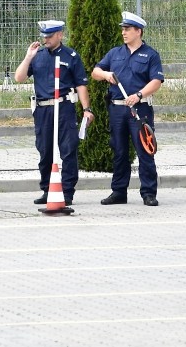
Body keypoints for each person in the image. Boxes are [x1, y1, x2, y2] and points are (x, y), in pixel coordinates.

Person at [14, 19, 94, 206]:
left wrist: (86, 109)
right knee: (45, 150)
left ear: (60, 35)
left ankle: (66, 192)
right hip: (43, 109)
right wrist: (28, 57)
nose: (45, 40)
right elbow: (19, 77)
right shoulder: (37, 55)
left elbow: (81, 84)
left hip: (64, 107)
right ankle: (47, 189)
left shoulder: (71, 55)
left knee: (68, 149)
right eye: (43, 36)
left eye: (49, 36)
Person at [91, 11, 164, 206]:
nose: (124, 33)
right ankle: (119, 192)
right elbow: (95, 72)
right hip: (117, 110)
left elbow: (156, 81)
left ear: (138, 31)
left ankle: (148, 193)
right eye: (123, 29)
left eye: (128, 29)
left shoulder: (150, 55)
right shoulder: (115, 53)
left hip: (140, 110)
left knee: (145, 151)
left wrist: (139, 95)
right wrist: (106, 75)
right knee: (119, 151)